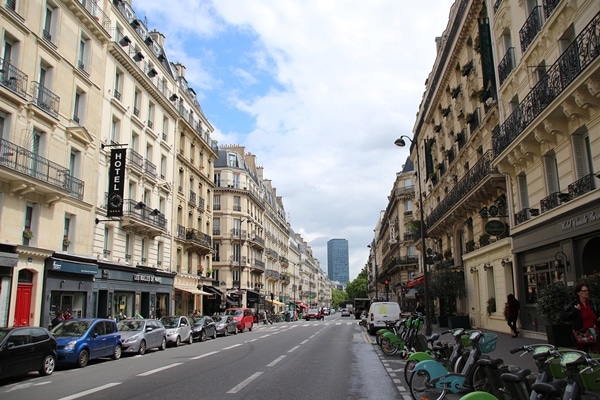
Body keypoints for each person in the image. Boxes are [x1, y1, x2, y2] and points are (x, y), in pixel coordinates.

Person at [563, 282, 600, 351]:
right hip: (582, 335)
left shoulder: (591, 303)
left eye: (587, 291)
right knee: (583, 354)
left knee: (597, 355)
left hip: (595, 333)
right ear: (578, 293)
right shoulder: (574, 304)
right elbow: (565, 317)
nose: (587, 292)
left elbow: (596, 315)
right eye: (584, 291)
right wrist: (575, 310)